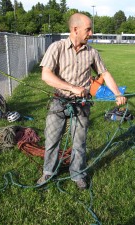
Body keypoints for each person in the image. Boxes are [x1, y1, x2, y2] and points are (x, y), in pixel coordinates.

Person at [37, 13, 127, 190]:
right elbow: (46, 75)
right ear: (75, 29)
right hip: (59, 101)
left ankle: (77, 174)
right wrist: (72, 88)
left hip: (82, 104)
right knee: (52, 140)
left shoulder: (92, 52)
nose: (91, 33)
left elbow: (105, 74)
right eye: (88, 29)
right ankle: (48, 172)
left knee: (79, 142)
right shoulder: (57, 47)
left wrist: (117, 93)